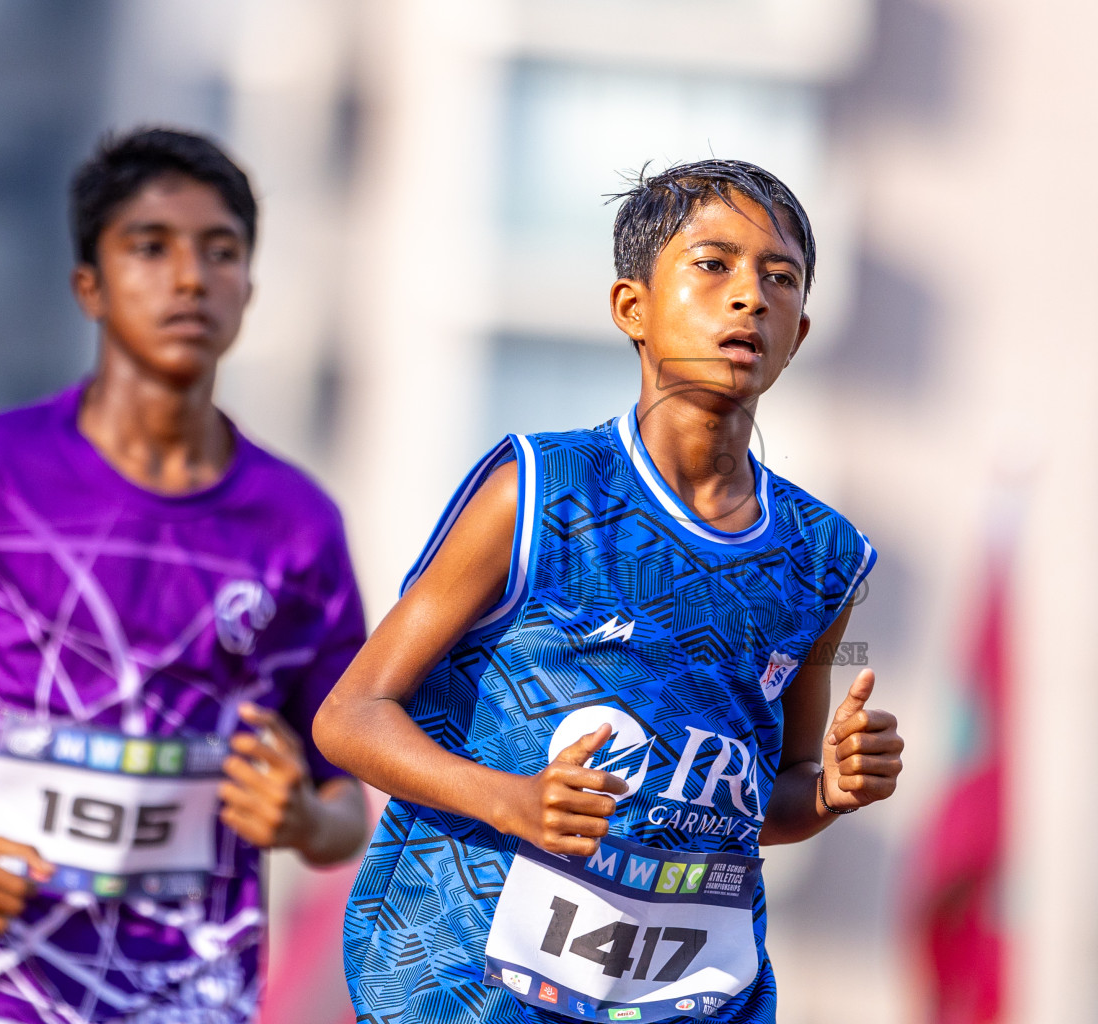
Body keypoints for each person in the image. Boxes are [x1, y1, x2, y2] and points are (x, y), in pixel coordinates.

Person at [316, 159, 904, 1023]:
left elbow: (775, 793)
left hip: (696, 999)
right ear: (632, 306)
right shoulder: (540, 490)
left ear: (801, 332)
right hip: (467, 988)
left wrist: (832, 790)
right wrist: (512, 801)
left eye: (779, 278)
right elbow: (351, 715)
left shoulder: (824, 557)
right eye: (713, 266)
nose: (750, 298)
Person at [0, 127, 371, 1023]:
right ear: (88, 286)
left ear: (248, 287)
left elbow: (347, 813)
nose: (190, 278)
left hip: (190, 996)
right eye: (151, 247)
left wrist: (299, 820)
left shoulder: (297, 525)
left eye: (222, 252)